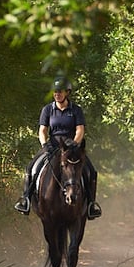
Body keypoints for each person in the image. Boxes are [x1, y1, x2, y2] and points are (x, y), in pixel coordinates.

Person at [16, 76, 101, 219]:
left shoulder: (76, 110)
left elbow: (80, 130)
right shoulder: (47, 109)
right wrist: (44, 145)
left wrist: (74, 144)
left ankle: (92, 204)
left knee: (91, 171)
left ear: (67, 92)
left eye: (60, 91)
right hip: (53, 146)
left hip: (71, 147)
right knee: (31, 168)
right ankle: (26, 199)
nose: (57, 94)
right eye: (55, 92)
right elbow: (42, 130)